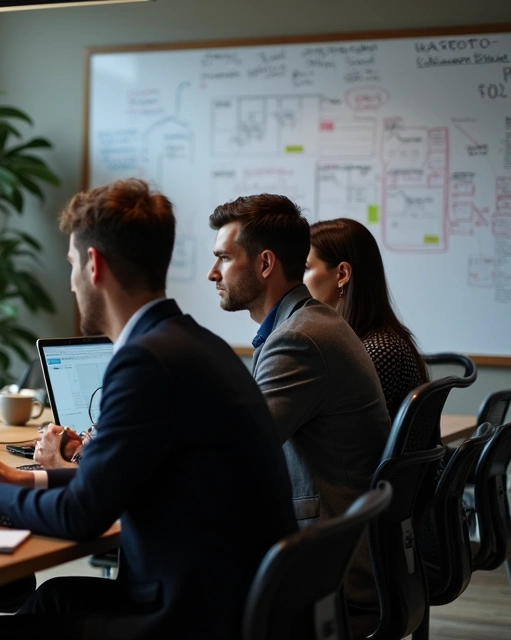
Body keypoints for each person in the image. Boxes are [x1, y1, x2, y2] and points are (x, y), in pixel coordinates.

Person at [0, 179, 297, 639]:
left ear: (94, 265)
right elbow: (120, 471)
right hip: (238, 602)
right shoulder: (195, 344)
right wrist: (22, 477)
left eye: (71, 266)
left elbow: (81, 516)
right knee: (53, 598)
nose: (70, 282)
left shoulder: (145, 361)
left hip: (189, 620)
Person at [207, 195, 391, 638]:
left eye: (224, 258)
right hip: (344, 551)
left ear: (265, 263)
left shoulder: (301, 339)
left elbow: (236, 452)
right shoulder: (309, 324)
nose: (213, 273)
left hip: (335, 572)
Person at [305, 218, 429, 419]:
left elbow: (341, 428)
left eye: (305, 268)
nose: (297, 280)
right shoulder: (370, 341)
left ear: (342, 274)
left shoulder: (379, 351)